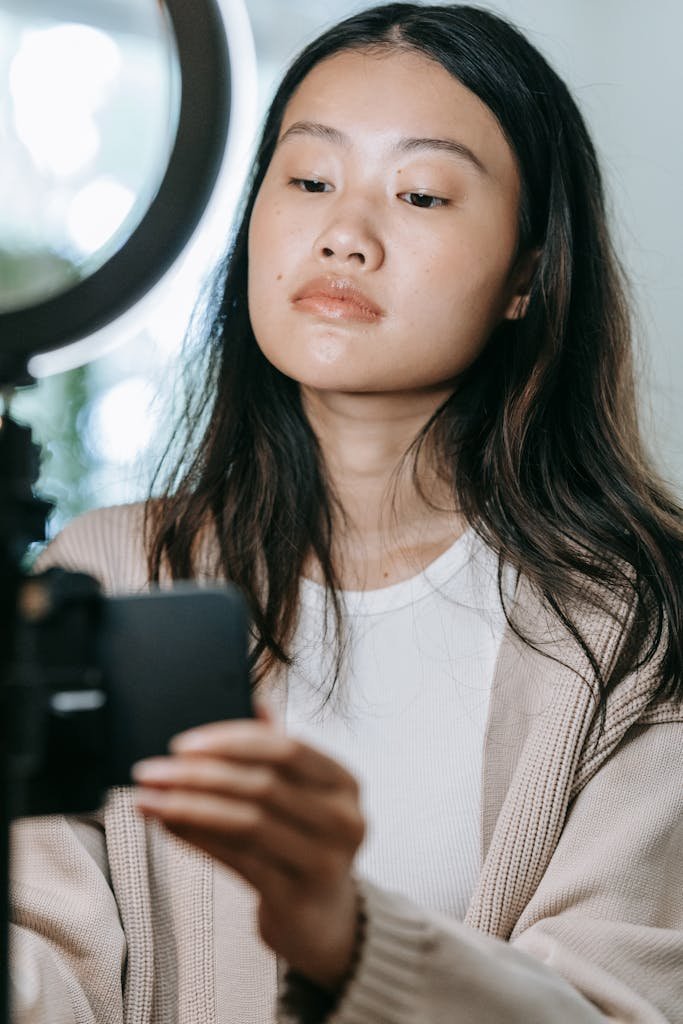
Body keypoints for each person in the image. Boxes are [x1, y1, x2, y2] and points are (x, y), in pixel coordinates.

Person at [10, 3, 683, 1022]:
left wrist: (346, 932)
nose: (343, 236)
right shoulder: (103, 573)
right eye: (309, 179)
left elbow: (611, 1006)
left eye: (419, 193)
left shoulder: (642, 621)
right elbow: (48, 969)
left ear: (528, 274)